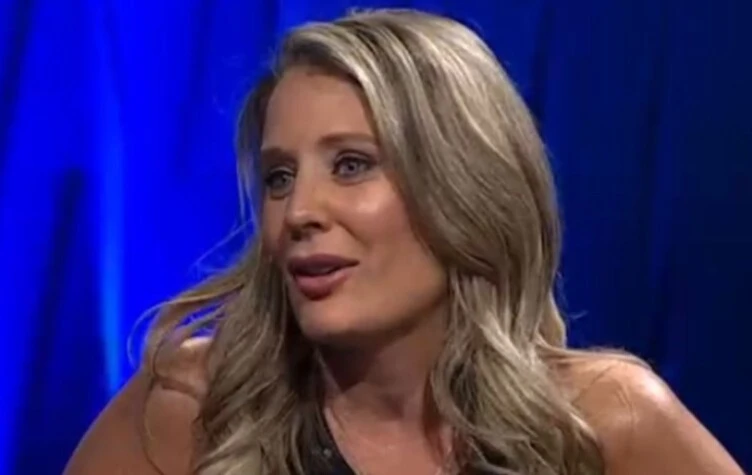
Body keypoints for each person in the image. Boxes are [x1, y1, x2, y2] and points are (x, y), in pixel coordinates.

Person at [64, 8, 743, 475]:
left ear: (462, 184)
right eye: (278, 177)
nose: (299, 211)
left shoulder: (603, 423)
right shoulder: (195, 407)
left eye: (351, 164)